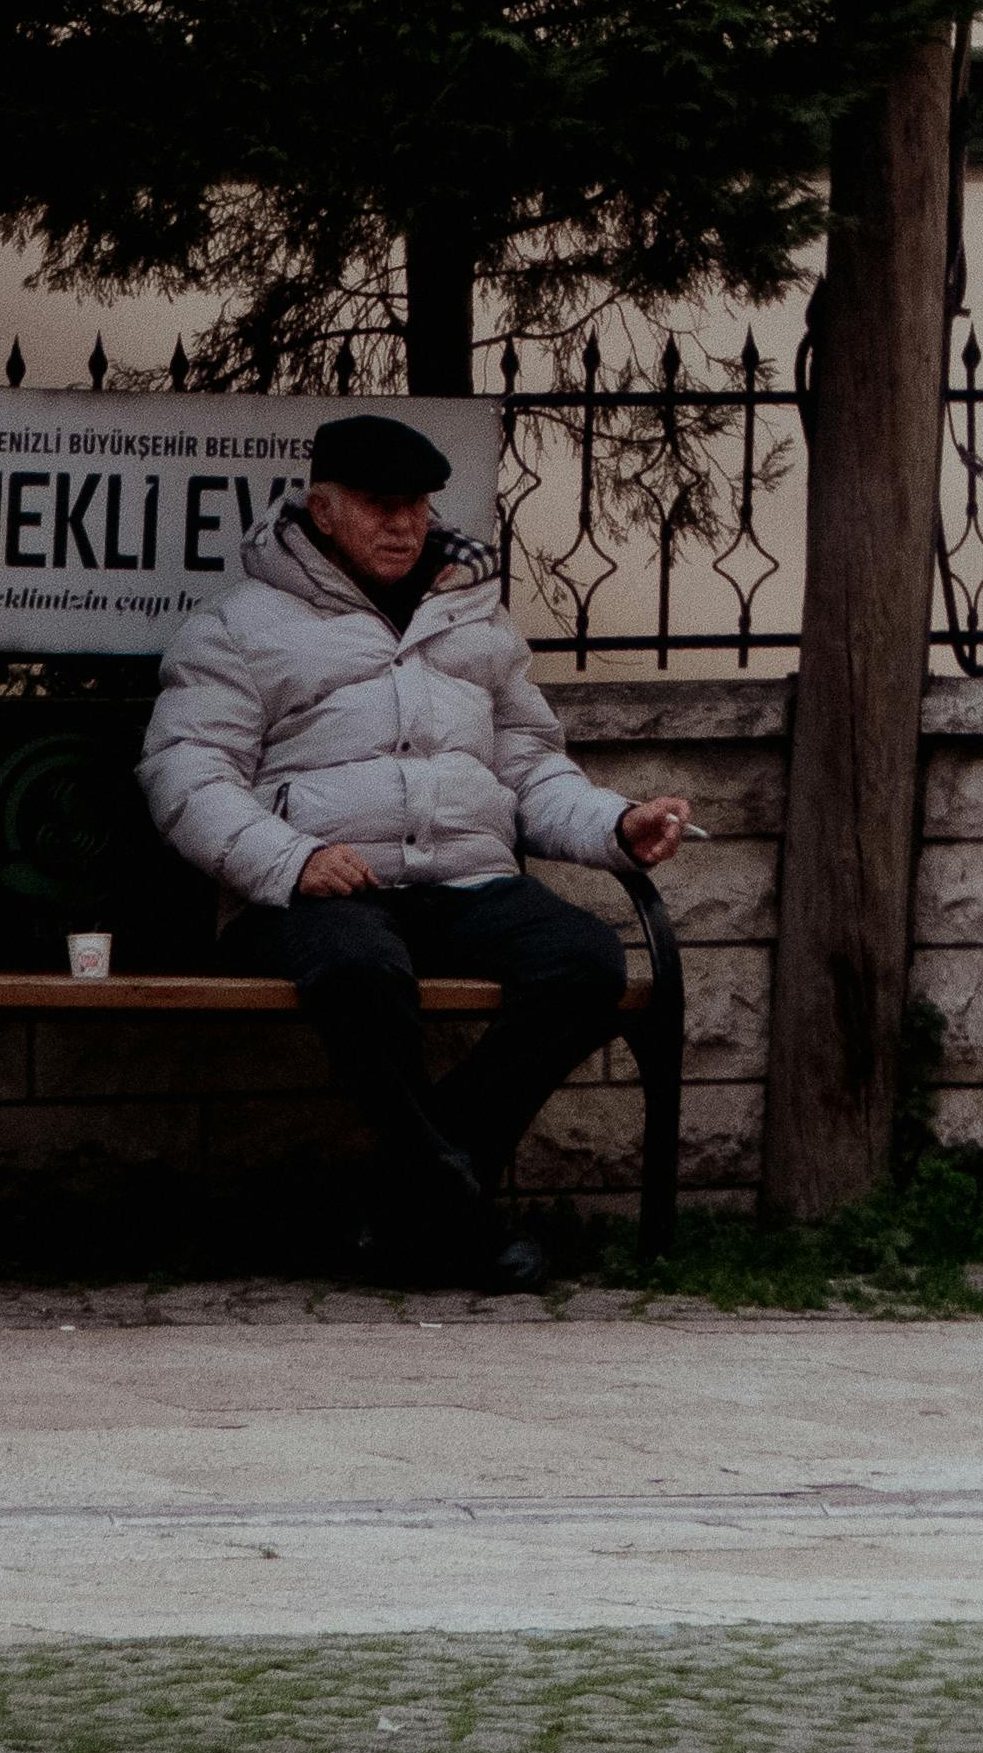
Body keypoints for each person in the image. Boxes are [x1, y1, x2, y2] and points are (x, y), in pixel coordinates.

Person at [140, 411, 688, 1289]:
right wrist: (290, 860)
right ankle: (452, 1211)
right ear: (323, 511)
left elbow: (529, 766)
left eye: (418, 506)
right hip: (313, 895)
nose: (404, 524)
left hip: (465, 881)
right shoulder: (243, 626)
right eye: (379, 504)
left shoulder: (476, 620)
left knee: (584, 958)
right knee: (360, 971)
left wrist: (613, 825)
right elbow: (186, 775)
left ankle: (414, 1193)